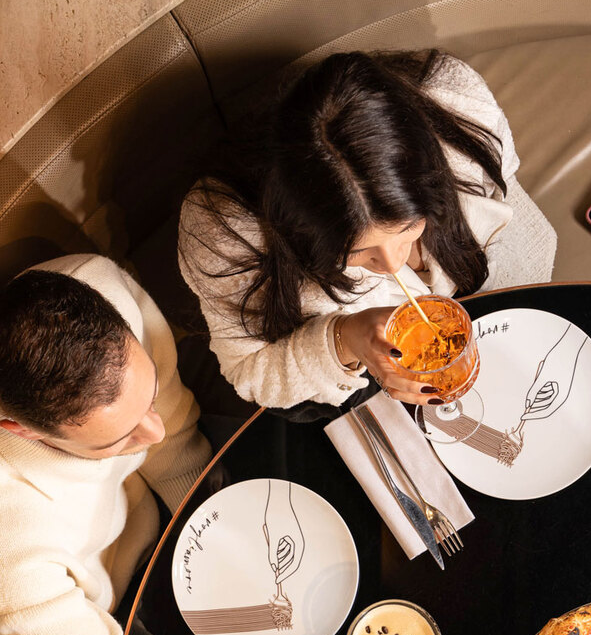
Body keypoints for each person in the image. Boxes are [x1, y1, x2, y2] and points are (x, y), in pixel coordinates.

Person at [0, 255, 456, 635]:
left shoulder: (96, 284)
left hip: (154, 517)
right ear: (26, 433)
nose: (151, 433)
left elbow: (173, 438)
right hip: (95, 613)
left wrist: (208, 518)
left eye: (147, 397)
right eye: (118, 439)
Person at [178, 50, 557, 413]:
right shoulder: (225, 232)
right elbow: (249, 371)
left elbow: (507, 197)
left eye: (408, 227)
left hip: (519, 312)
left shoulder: (456, 102)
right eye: (356, 251)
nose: (392, 264)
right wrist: (344, 338)